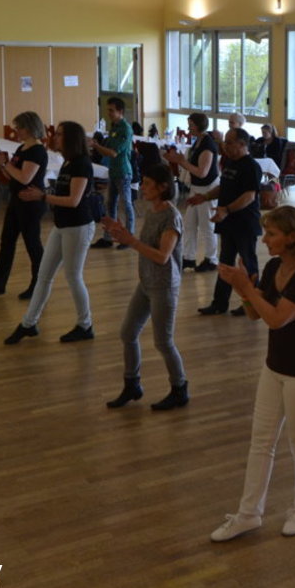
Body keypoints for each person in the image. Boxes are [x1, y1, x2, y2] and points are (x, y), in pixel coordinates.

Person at [209, 206, 295, 542]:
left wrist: (247, 289)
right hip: (274, 367)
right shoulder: (275, 266)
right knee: (261, 442)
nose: (265, 239)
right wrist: (243, 290)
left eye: (272, 234)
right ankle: (248, 514)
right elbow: (255, 315)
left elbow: (277, 319)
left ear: (291, 237)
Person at [103, 164, 189, 411]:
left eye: (148, 184)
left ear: (163, 187)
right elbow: (145, 245)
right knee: (128, 333)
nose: (143, 187)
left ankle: (180, 389)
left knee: (163, 342)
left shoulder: (171, 217)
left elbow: (163, 256)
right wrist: (122, 233)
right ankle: (132, 384)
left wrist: (130, 241)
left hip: (164, 286)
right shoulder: (153, 211)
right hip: (147, 283)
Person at [3, 121, 97, 345]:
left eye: (60, 134)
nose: (55, 137)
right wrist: (44, 193)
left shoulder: (82, 164)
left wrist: (42, 196)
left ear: (71, 138)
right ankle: (28, 324)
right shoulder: (68, 162)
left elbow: (74, 201)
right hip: (62, 225)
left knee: (73, 277)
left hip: (78, 227)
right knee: (44, 276)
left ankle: (85, 325)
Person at [0, 111, 48, 302]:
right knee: (6, 242)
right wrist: (0, 165)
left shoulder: (37, 151)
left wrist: (4, 163)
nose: (16, 131)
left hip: (30, 204)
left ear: (29, 128)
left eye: (19, 127)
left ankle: (39, 286)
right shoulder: (22, 148)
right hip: (17, 201)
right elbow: (12, 176)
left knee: (33, 245)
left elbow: (25, 178)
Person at [191, 128, 262, 316]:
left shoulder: (251, 166)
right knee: (225, 264)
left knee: (247, 265)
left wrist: (227, 209)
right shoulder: (230, 162)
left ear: (242, 144)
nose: (225, 146)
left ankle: (252, 304)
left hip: (245, 223)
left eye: (229, 142)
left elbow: (249, 196)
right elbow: (224, 187)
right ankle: (219, 303)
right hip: (228, 222)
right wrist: (205, 197)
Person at [166, 113, 219, 272]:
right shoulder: (199, 141)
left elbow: (202, 172)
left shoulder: (208, 145)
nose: (188, 128)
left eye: (191, 125)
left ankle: (211, 259)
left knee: (207, 226)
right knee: (189, 224)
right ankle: (188, 257)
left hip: (207, 189)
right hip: (196, 188)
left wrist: (181, 161)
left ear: (199, 125)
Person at [90, 96, 135, 250]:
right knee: (111, 204)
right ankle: (108, 237)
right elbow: (106, 148)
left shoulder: (125, 129)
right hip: (113, 171)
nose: (108, 113)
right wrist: (96, 144)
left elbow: (113, 153)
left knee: (126, 205)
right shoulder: (114, 127)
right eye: (108, 110)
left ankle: (129, 238)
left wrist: (96, 146)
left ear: (120, 111)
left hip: (123, 172)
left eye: (111, 110)